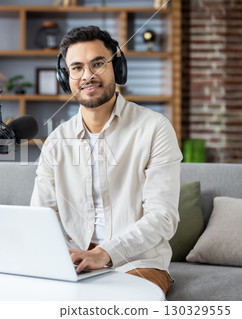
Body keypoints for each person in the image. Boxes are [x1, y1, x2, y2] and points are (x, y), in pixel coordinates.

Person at [30, 25, 182, 295]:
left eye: (98, 63)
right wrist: (63, 256)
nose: (87, 75)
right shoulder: (56, 141)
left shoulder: (155, 128)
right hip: (75, 260)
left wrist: (104, 253)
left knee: (121, 301)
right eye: (76, 68)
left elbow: (162, 217)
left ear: (118, 69)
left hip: (139, 261)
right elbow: (41, 216)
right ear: (66, 77)